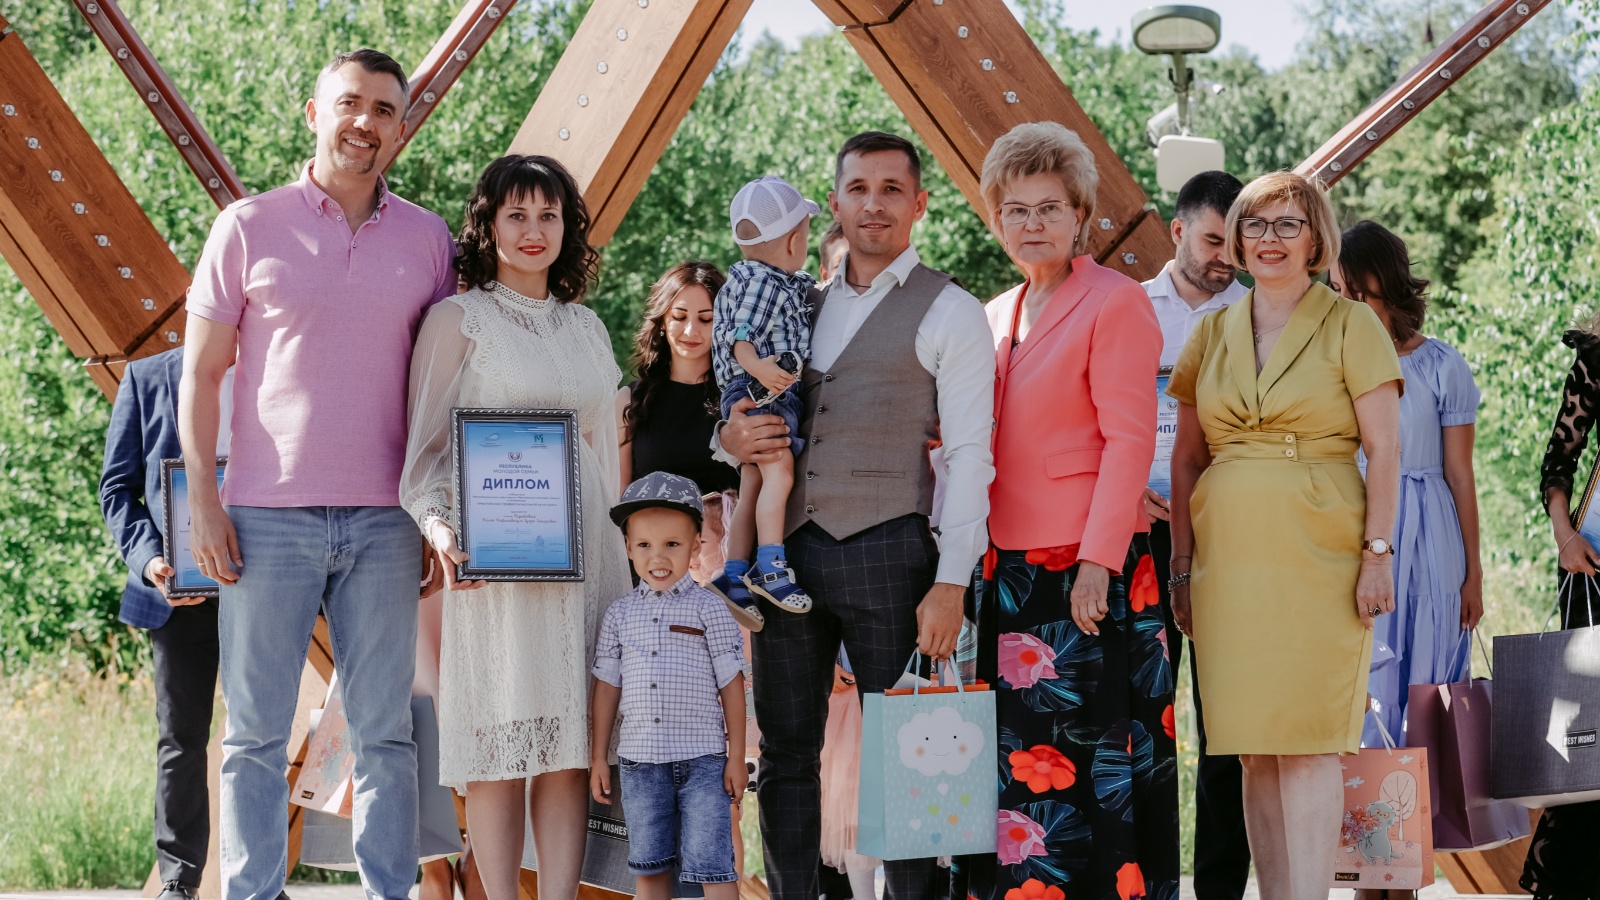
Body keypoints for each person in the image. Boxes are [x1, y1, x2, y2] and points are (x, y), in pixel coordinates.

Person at [180, 48, 456, 900]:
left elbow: (442, 386)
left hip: (386, 521)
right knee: (253, 736)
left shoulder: (429, 239)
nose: (364, 122)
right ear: (314, 113)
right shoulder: (247, 226)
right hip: (264, 520)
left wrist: (432, 513)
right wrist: (203, 502)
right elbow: (201, 375)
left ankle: (389, 892)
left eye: (383, 109)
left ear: (400, 128)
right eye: (349, 103)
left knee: (387, 734)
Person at [721, 130, 996, 900]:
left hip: (893, 552)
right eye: (858, 189)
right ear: (834, 203)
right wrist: (728, 436)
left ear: (919, 203)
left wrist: (951, 581)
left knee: (911, 752)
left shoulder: (951, 309)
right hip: (788, 556)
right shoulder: (797, 302)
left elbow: (970, 455)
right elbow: (745, 407)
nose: (874, 204)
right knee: (786, 754)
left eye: (891, 189)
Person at [400, 153, 631, 900]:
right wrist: (438, 528)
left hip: (587, 558)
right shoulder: (457, 319)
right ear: (488, 225)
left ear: (568, 227)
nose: (534, 230)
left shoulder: (587, 326)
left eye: (549, 215)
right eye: (517, 214)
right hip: (497, 564)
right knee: (499, 746)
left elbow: (602, 450)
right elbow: (424, 454)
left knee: (569, 749)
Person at [1166, 171, 1402, 900]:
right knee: (1252, 750)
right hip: (1227, 563)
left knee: (1308, 743)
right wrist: (1181, 565)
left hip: (1321, 554)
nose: (1270, 238)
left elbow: (1385, 450)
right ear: (1237, 239)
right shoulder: (1211, 332)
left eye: (1287, 224)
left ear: (1314, 238)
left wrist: (1377, 555)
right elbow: (1187, 458)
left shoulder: (1352, 324)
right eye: (1255, 224)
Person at [967, 121, 1174, 900]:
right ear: (996, 219)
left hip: (1092, 568)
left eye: (1049, 208)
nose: (1032, 224)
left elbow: (1129, 441)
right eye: (1015, 209)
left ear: (1080, 215)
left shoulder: (1117, 302)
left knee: (1096, 764)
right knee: (1021, 775)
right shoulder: (993, 314)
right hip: (1010, 569)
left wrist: (1097, 562)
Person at [1140, 170, 1252, 900]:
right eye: (1214, 241)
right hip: (1138, 533)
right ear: (1177, 231)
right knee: (1144, 718)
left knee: (1227, 726)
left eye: (1234, 244)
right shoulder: (1127, 308)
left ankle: (1218, 889)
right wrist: (1125, 491)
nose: (1226, 258)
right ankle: (1149, 884)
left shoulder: (1256, 315)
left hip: (1228, 536)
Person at [1330, 221, 1483, 759]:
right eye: (1338, 291)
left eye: (1358, 294)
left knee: (1431, 678)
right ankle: (1367, 806)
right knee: (1368, 671)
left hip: (1434, 531)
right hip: (1361, 527)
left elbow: (1460, 474)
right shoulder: (1331, 364)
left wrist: (1474, 573)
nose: (1346, 306)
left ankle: (1431, 804)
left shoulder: (1442, 365)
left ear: (1389, 289)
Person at [100, 347, 232, 900]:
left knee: (260, 736)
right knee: (181, 737)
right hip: (175, 592)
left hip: (265, 587)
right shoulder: (146, 376)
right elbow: (117, 489)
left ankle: (260, 876)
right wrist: (151, 560)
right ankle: (179, 880)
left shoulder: (278, 367)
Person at [590, 471, 748, 900]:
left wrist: (736, 757)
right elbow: (606, 687)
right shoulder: (619, 615)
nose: (657, 557)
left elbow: (732, 685)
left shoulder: (710, 609)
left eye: (672, 544)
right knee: (649, 868)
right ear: (628, 547)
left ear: (696, 545)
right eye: (644, 545)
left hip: (704, 762)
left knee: (715, 867)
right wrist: (599, 757)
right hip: (641, 763)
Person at [711, 175, 822, 628]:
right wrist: (760, 369)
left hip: (749, 389)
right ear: (794, 240)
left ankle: (733, 572)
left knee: (754, 481)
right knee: (780, 471)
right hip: (763, 387)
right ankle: (771, 568)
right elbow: (742, 337)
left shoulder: (758, 278)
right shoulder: (766, 285)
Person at [1527, 311, 1600, 900]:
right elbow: (1559, 458)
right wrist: (1564, 535)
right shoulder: (1597, 357)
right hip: (1593, 567)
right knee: (1587, 740)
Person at [617, 262, 739, 582]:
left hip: (728, 573)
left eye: (706, 319)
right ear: (661, 321)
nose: (690, 331)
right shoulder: (629, 401)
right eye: (680, 317)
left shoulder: (741, 399)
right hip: (651, 574)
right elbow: (620, 499)